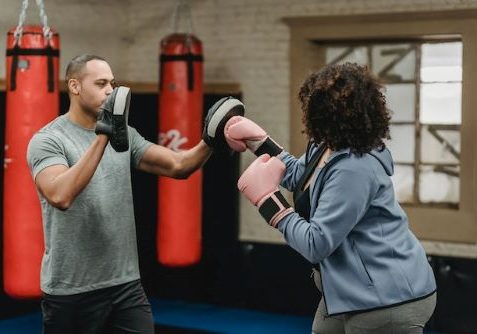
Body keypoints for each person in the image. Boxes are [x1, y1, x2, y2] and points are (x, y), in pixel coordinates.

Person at [27, 54, 243, 334]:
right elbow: (60, 195)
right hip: (72, 291)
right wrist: (103, 138)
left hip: (125, 286)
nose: (110, 91)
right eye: (101, 83)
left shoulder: (123, 135)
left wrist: (210, 140)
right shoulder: (49, 140)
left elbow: (179, 166)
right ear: (75, 86)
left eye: (112, 84)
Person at [224, 62, 437, 333]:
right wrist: (259, 141)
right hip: (348, 290)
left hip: (388, 299)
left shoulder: (356, 167)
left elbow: (317, 243)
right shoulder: (326, 144)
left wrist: (269, 202)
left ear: (324, 115)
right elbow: (299, 176)